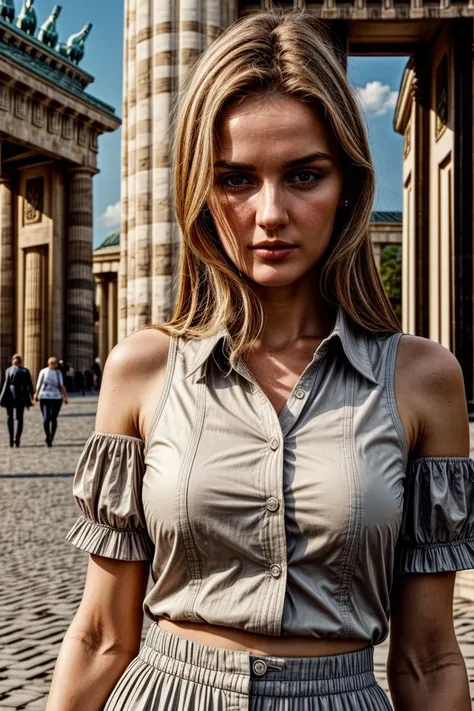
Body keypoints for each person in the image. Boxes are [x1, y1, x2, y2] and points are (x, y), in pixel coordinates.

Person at [46, 11, 473, 711]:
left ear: (349, 186)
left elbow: (427, 657)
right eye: (237, 180)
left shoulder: (424, 380)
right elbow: (100, 635)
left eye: (304, 175)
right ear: (201, 193)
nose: (269, 212)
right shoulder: (143, 368)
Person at [0, 354, 34, 447]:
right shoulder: (23, 370)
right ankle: (15, 439)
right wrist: (32, 394)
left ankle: (14, 439)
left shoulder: (10, 370)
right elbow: (29, 385)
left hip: (12, 395)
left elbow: (3, 383)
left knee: (13, 417)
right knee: (16, 418)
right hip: (17, 395)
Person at [34, 356, 68, 447]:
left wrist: (65, 397)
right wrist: (36, 394)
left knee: (53, 418)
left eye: (55, 363)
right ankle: (47, 435)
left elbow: (61, 385)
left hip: (56, 398)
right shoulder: (43, 371)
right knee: (46, 419)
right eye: (51, 363)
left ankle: (51, 438)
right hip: (44, 397)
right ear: (48, 363)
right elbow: (39, 383)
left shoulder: (58, 373)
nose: (53, 364)